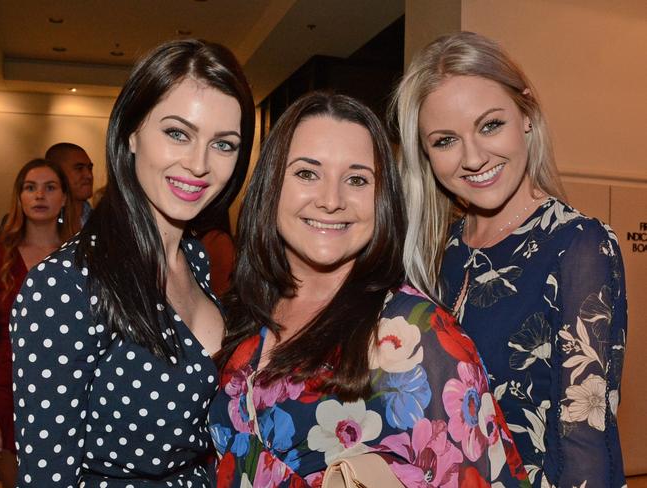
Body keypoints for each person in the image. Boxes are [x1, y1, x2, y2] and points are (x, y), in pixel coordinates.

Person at [208, 91, 529, 487]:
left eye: (357, 179)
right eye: (307, 173)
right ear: (271, 185)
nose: (331, 200)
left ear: (382, 200)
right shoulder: (243, 311)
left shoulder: (415, 334)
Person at [10, 39, 254, 487]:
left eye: (224, 144)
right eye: (177, 133)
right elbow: (46, 476)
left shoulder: (196, 259)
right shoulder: (64, 285)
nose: (198, 164)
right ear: (131, 132)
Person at [392, 31, 627, 487]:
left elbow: (585, 443)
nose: (474, 157)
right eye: (445, 141)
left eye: (490, 125)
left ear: (526, 115)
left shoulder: (578, 245)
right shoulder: (437, 253)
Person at [0, 159, 73, 488]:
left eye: (50, 187)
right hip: (6, 396)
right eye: (30, 187)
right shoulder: (0, 257)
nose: (39, 195)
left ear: (65, 199)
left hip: (70, 397)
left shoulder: (82, 257)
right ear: (19, 197)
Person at [45, 142, 94, 226]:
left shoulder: (104, 221)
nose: (89, 175)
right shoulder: (42, 223)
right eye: (79, 168)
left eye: (89, 168)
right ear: (56, 173)